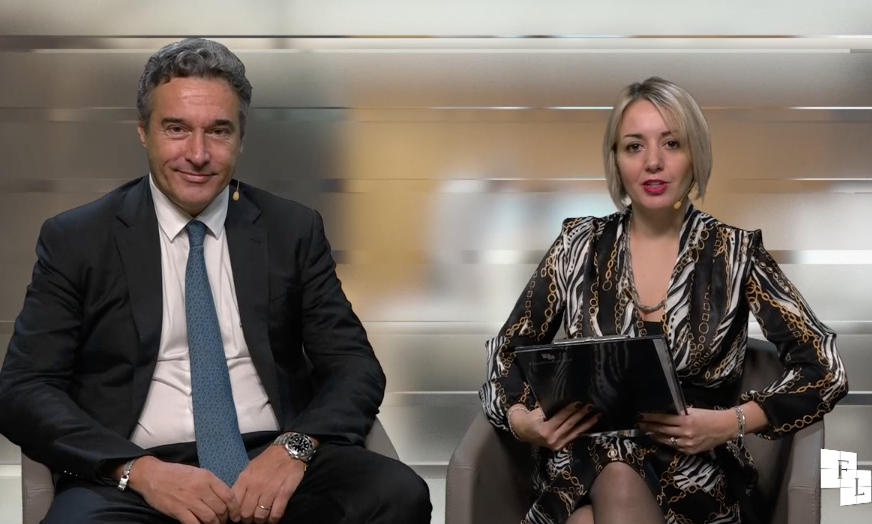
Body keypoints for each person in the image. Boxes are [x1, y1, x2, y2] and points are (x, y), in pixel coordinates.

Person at [0, 38, 431, 524]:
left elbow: (354, 366)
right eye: (176, 129)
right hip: (138, 474)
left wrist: (294, 448)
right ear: (143, 132)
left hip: (271, 458)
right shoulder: (79, 238)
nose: (198, 153)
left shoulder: (291, 229)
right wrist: (138, 471)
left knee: (397, 494)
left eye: (219, 131)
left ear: (241, 138)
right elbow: (24, 387)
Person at [479, 77, 848, 524]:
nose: (653, 161)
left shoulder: (735, 253)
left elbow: (824, 368)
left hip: (693, 471)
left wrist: (730, 422)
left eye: (671, 144)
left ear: (695, 155)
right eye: (634, 146)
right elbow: (508, 349)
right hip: (583, 461)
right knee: (606, 481)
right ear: (616, 161)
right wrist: (520, 419)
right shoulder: (577, 245)